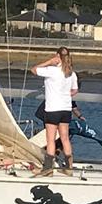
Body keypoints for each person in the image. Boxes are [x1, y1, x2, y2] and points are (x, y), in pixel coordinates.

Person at [30, 46, 78, 176]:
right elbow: (74, 90)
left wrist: (49, 62)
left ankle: (48, 168)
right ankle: (69, 168)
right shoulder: (71, 73)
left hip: (53, 109)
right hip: (66, 109)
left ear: (57, 56)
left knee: (50, 139)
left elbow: (34, 70)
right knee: (65, 138)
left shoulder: (52, 70)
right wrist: (65, 94)